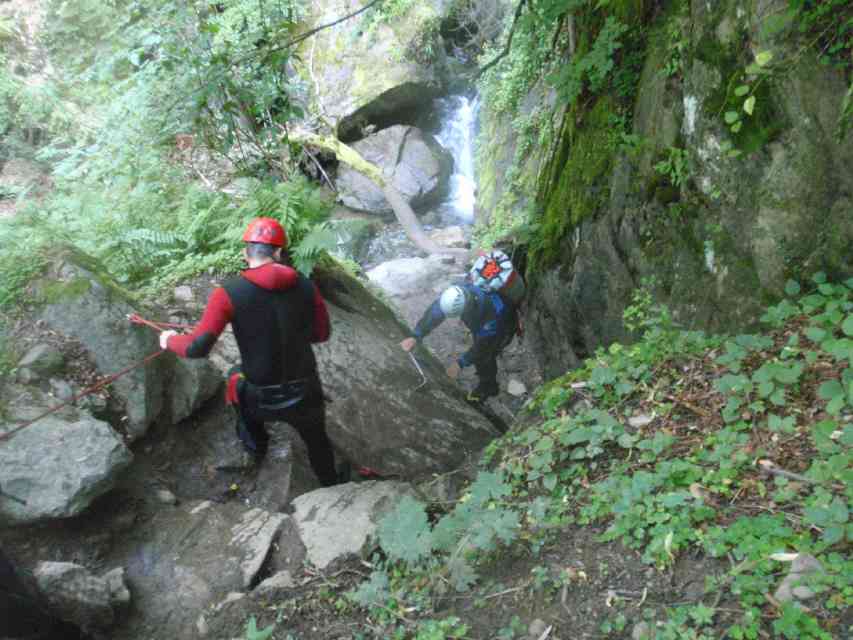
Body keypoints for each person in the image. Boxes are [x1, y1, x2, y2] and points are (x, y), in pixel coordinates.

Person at [159, 217, 339, 486]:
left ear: (246, 253)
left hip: (260, 397)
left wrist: (169, 340)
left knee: (235, 377)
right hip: (306, 392)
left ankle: (257, 446)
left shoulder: (228, 293)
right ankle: (330, 482)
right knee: (318, 441)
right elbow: (322, 334)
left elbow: (197, 347)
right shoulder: (305, 286)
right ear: (278, 253)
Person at [400, 283, 518, 401]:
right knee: (481, 346)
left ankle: (488, 387)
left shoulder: (492, 317)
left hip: (503, 326)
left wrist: (460, 363)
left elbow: (482, 347)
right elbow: (435, 312)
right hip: (482, 322)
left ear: (467, 309)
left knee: (486, 356)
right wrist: (416, 335)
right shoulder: (456, 294)